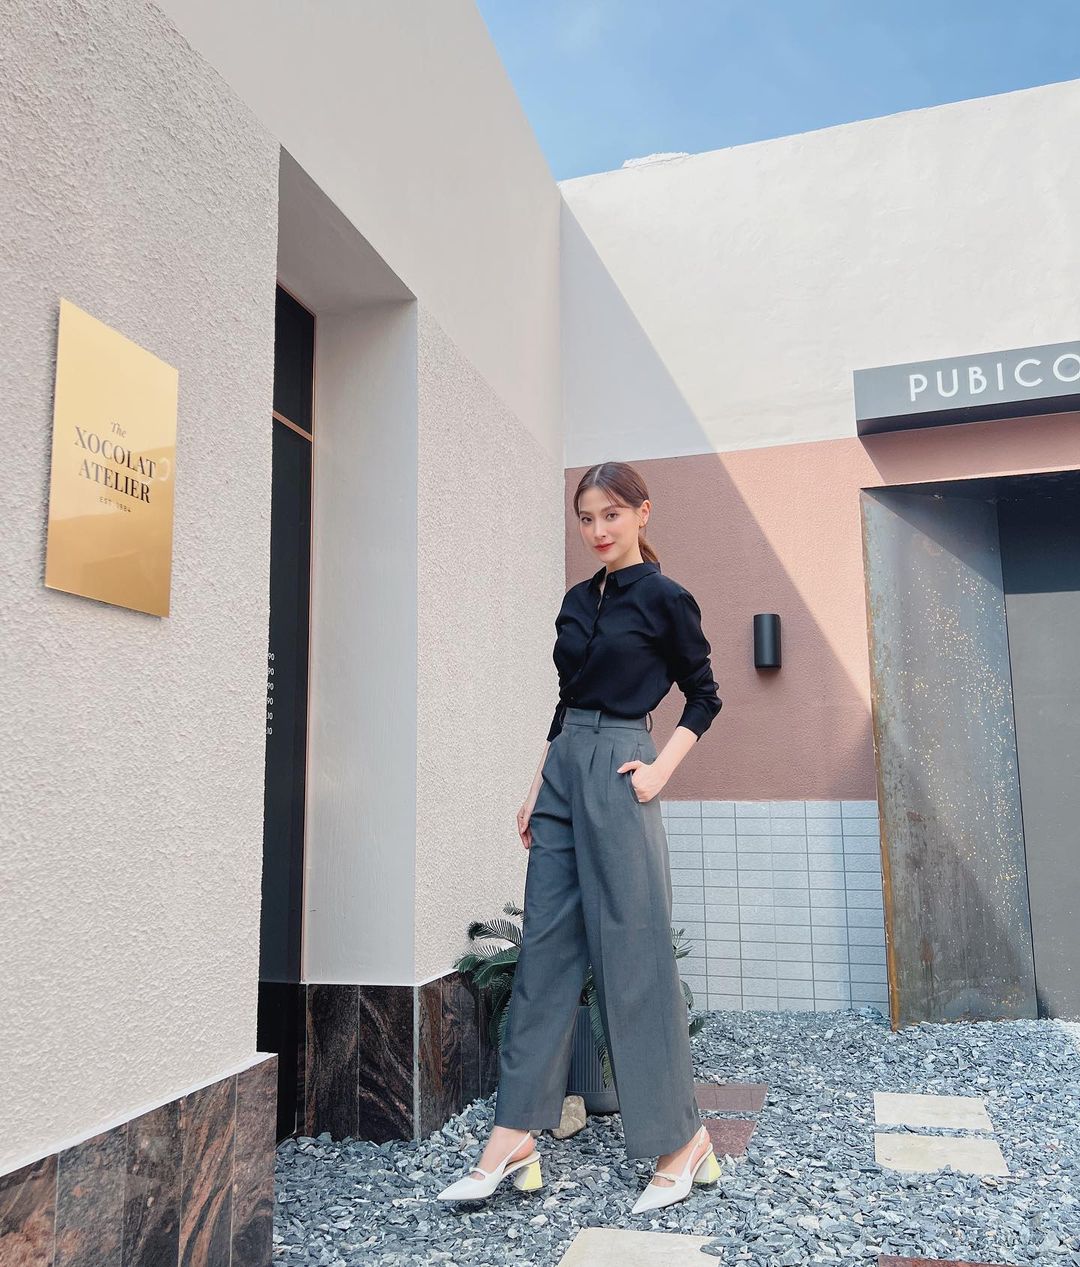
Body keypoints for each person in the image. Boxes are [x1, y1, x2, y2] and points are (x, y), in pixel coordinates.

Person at [438, 461, 723, 1214]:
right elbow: (566, 704)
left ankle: (680, 1140)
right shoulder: (576, 600)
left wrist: (659, 771)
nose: (598, 530)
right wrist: (538, 784)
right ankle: (513, 1135)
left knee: (634, 955)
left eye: (610, 515)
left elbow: (705, 694)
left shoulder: (665, 597)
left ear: (642, 513)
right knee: (545, 953)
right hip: (566, 770)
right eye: (587, 518)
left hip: (624, 768)